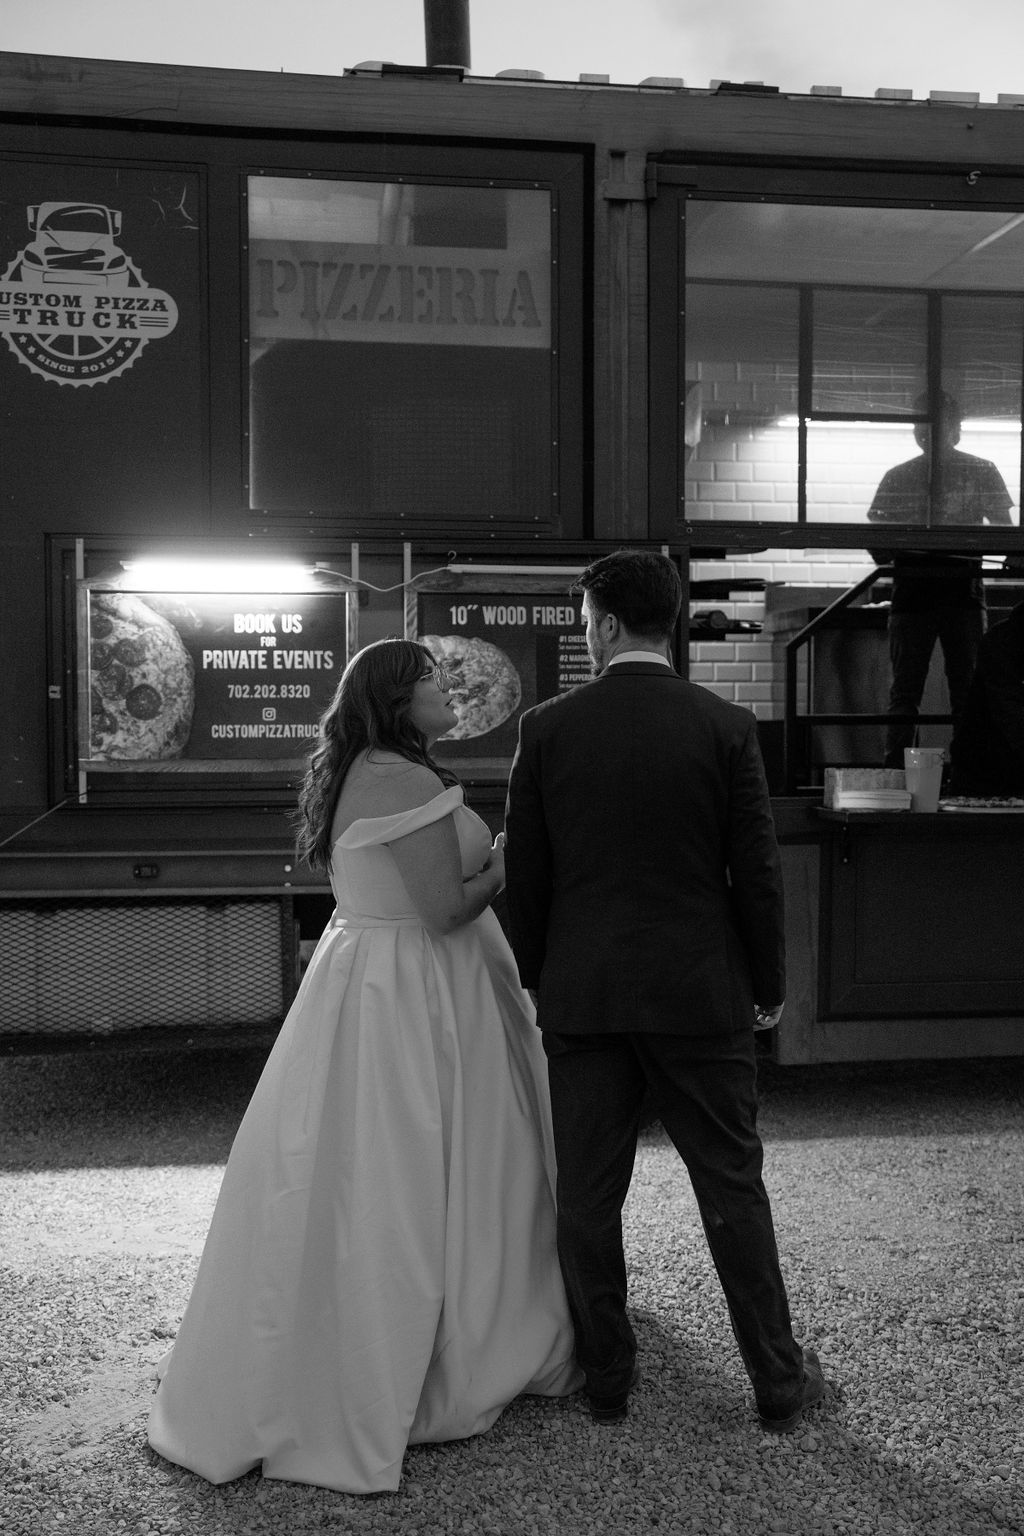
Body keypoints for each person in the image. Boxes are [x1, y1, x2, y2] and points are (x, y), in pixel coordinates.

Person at [148, 638, 581, 1495]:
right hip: (416, 996)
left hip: (366, 984)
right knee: (429, 1167)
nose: (447, 686)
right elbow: (446, 910)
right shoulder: (405, 780)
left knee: (347, 1171)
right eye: (430, 679)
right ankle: (448, 1352)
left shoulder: (364, 769)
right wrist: (507, 857)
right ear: (394, 699)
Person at [503, 548, 825, 1434]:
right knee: (731, 1185)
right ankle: (776, 1381)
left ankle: (607, 1380)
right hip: (700, 992)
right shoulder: (725, 725)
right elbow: (754, 871)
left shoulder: (548, 728)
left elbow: (526, 877)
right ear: (670, 621)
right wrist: (768, 985)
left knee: (587, 1194)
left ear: (605, 624)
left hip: (588, 994)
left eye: (584, 614)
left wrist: (538, 980)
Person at [866, 394, 1013, 767]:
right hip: (962, 594)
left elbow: (878, 543)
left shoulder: (899, 476)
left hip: (913, 596)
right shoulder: (981, 471)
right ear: (957, 429)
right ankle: (971, 768)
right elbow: (1005, 535)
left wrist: (912, 548)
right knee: (967, 689)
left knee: (906, 692)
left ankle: (897, 771)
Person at [949, 598, 1024, 796]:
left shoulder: (1002, 640)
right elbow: (1011, 715)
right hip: (991, 773)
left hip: (985, 772)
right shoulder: (1003, 643)